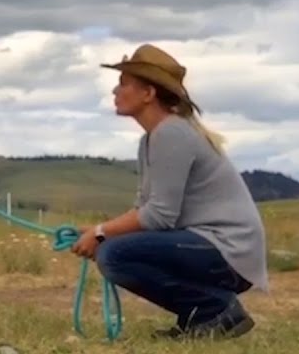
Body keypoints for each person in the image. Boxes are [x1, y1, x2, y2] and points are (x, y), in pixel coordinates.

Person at [69, 43, 268, 340]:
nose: (115, 92)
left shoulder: (171, 134)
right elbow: (146, 208)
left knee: (114, 255)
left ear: (148, 94)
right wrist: (101, 231)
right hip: (217, 249)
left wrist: (101, 233)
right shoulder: (155, 139)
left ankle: (215, 310)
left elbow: (159, 216)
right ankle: (206, 316)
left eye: (124, 84)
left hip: (227, 251)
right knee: (113, 249)